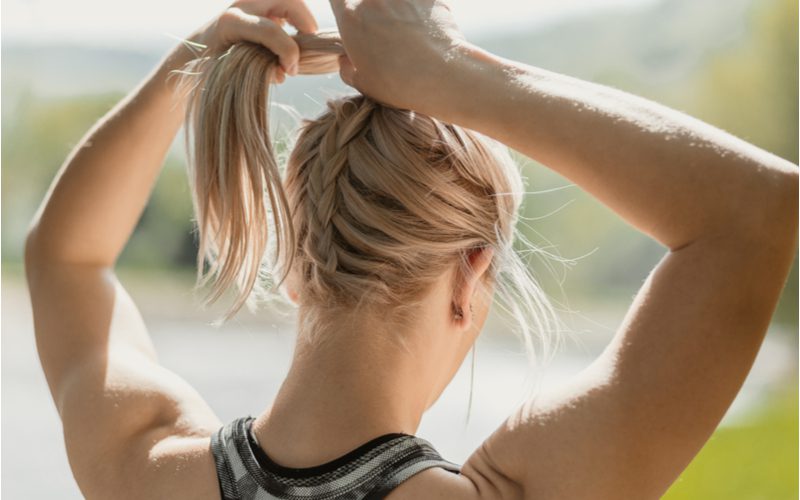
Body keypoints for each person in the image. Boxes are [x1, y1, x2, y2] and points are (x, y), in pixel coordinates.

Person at [23, 0, 797, 499]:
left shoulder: (146, 466)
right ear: (472, 276)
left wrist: (190, 68)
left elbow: (65, 257)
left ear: (292, 259)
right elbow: (757, 216)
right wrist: (453, 77)